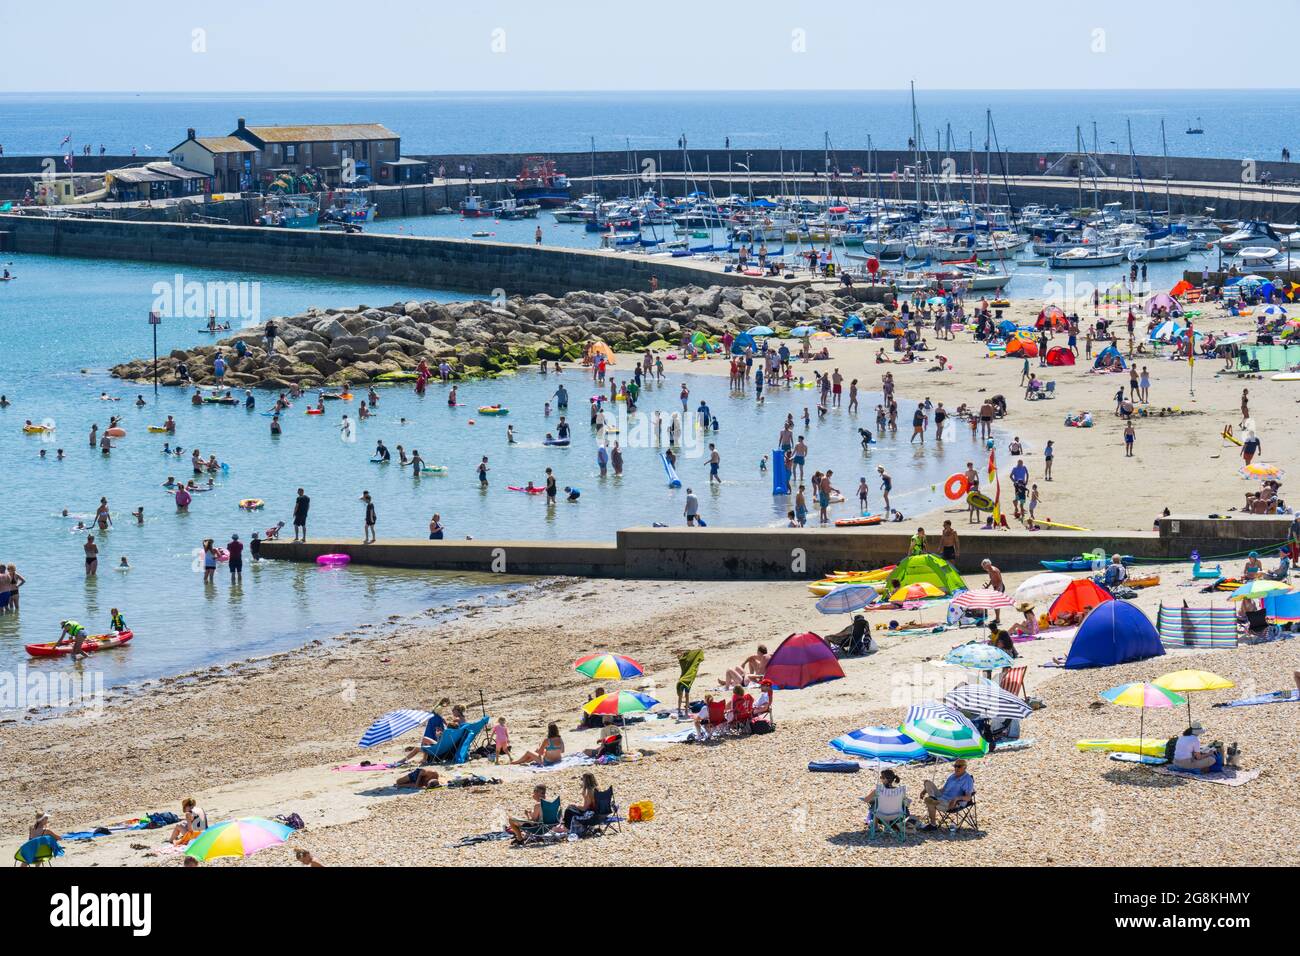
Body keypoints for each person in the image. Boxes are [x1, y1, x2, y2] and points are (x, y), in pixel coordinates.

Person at [919, 759, 975, 831]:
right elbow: (943, 790)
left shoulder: (967, 779)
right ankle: (932, 797)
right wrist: (925, 790)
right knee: (927, 782)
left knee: (929, 802)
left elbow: (968, 797)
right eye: (955, 766)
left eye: (959, 766)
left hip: (950, 803)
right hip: (941, 797)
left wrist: (956, 799)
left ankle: (933, 825)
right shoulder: (952, 776)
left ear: (965, 767)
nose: (956, 768)